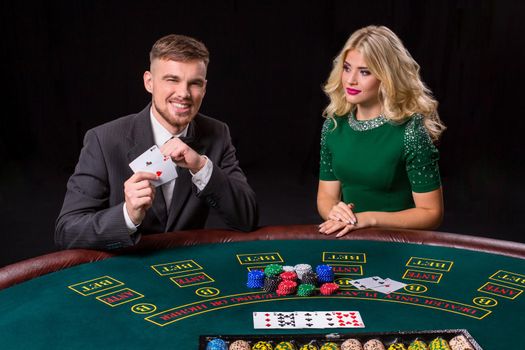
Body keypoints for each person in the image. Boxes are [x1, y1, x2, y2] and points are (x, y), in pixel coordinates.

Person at [55, 34, 258, 249]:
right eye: (172, 80)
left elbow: (247, 219)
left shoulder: (218, 133)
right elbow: (67, 231)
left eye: (195, 83)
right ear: (149, 82)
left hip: (187, 269)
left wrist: (201, 167)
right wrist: (128, 215)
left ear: (205, 88)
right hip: (124, 269)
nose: (184, 93)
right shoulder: (103, 140)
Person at [317, 25, 446, 237]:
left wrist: (368, 219)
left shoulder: (411, 131)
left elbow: (432, 213)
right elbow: (326, 197)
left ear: (386, 77)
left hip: (398, 244)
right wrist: (334, 210)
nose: (351, 80)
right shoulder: (333, 125)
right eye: (347, 68)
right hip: (349, 239)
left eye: (365, 72)